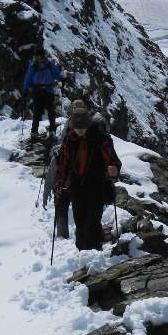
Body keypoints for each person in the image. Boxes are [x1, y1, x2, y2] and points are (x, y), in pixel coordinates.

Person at [53, 100, 122, 250]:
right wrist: (59, 182)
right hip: (77, 186)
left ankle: (94, 253)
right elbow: (63, 163)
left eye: (83, 127)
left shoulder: (100, 138)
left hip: (97, 185)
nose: (80, 131)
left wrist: (114, 169)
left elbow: (113, 160)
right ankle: (82, 253)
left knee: (92, 222)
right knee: (79, 222)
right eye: (77, 128)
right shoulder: (69, 139)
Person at [22, 49, 61, 137]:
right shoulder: (34, 66)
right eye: (38, 57)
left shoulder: (48, 65)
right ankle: (35, 131)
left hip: (46, 91)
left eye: (41, 56)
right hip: (40, 91)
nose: (40, 58)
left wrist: (26, 90)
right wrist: (25, 89)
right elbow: (28, 79)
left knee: (50, 111)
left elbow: (56, 74)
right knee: (38, 112)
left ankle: (50, 131)